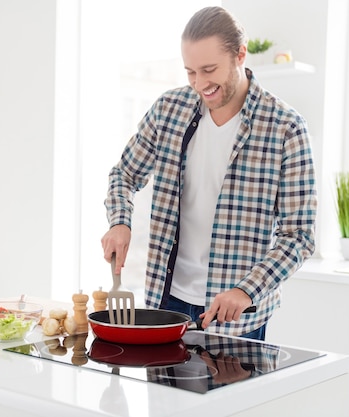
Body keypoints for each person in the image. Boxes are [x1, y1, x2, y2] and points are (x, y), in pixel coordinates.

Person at [100, 6, 317, 341]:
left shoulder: (286, 129)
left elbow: (298, 237)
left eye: (209, 69)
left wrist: (246, 291)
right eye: (190, 72)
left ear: (240, 55)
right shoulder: (168, 111)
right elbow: (124, 175)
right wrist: (119, 221)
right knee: (162, 395)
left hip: (236, 316)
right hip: (165, 303)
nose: (200, 84)